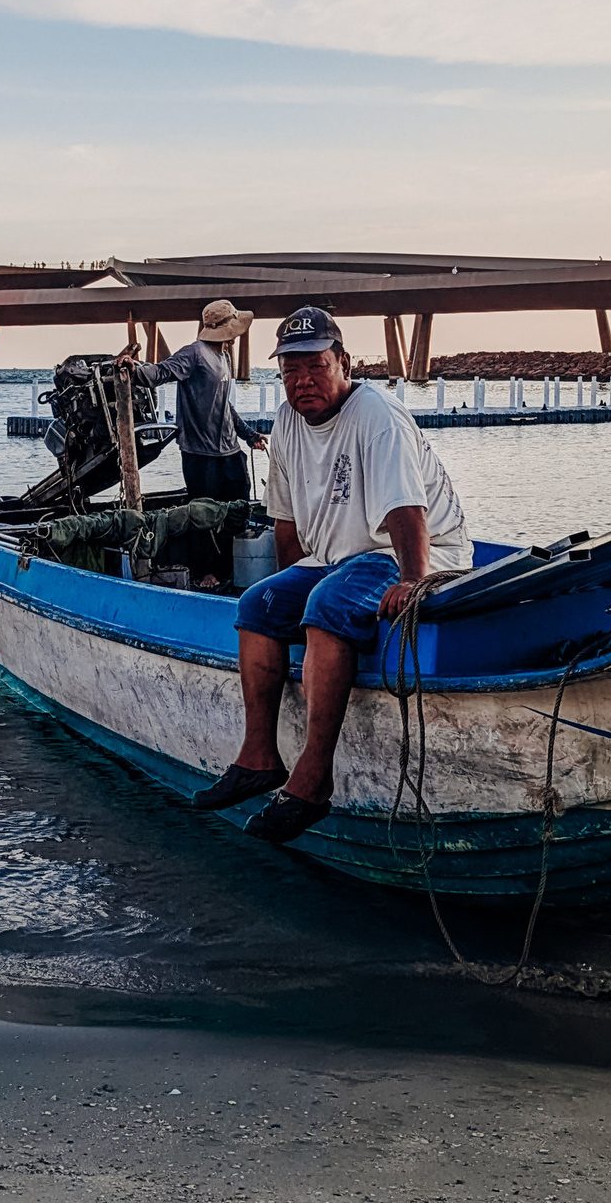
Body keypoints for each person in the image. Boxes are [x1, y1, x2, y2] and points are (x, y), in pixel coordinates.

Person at [191, 306, 472, 843]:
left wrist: (414, 581)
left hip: (405, 550)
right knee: (257, 606)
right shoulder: (287, 420)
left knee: (330, 605)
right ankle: (259, 756)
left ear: (343, 362)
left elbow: (406, 513)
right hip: (339, 557)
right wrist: (285, 595)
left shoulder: (376, 414)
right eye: (290, 371)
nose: (303, 382)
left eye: (316, 366)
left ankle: (314, 780)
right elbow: (287, 527)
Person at [122, 298, 263, 505]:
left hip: (230, 451)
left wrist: (249, 435)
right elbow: (161, 371)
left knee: (239, 509)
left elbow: (223, 405)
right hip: (201, 456)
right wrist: (135, 368)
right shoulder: (194, 353)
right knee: (204, 517)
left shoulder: (225, 356)